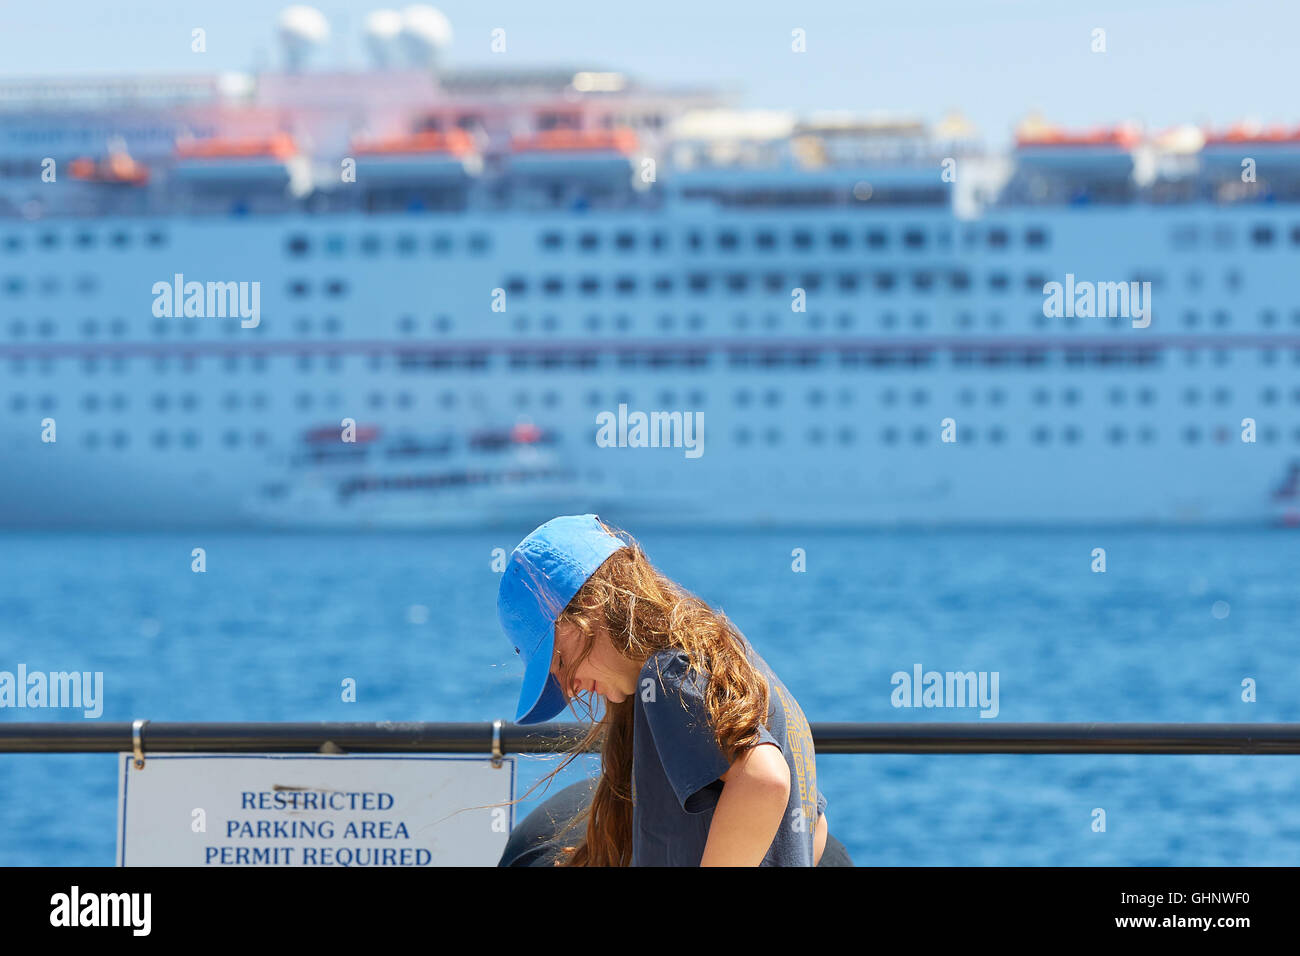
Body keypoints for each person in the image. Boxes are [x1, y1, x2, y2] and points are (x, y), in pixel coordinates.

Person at [496, 513, 839, 866]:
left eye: (560, 663)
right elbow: (813, 826)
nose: (569, 689)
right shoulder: (738, 668)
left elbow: (764, 780)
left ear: (589, 606)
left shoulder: (667, 675)